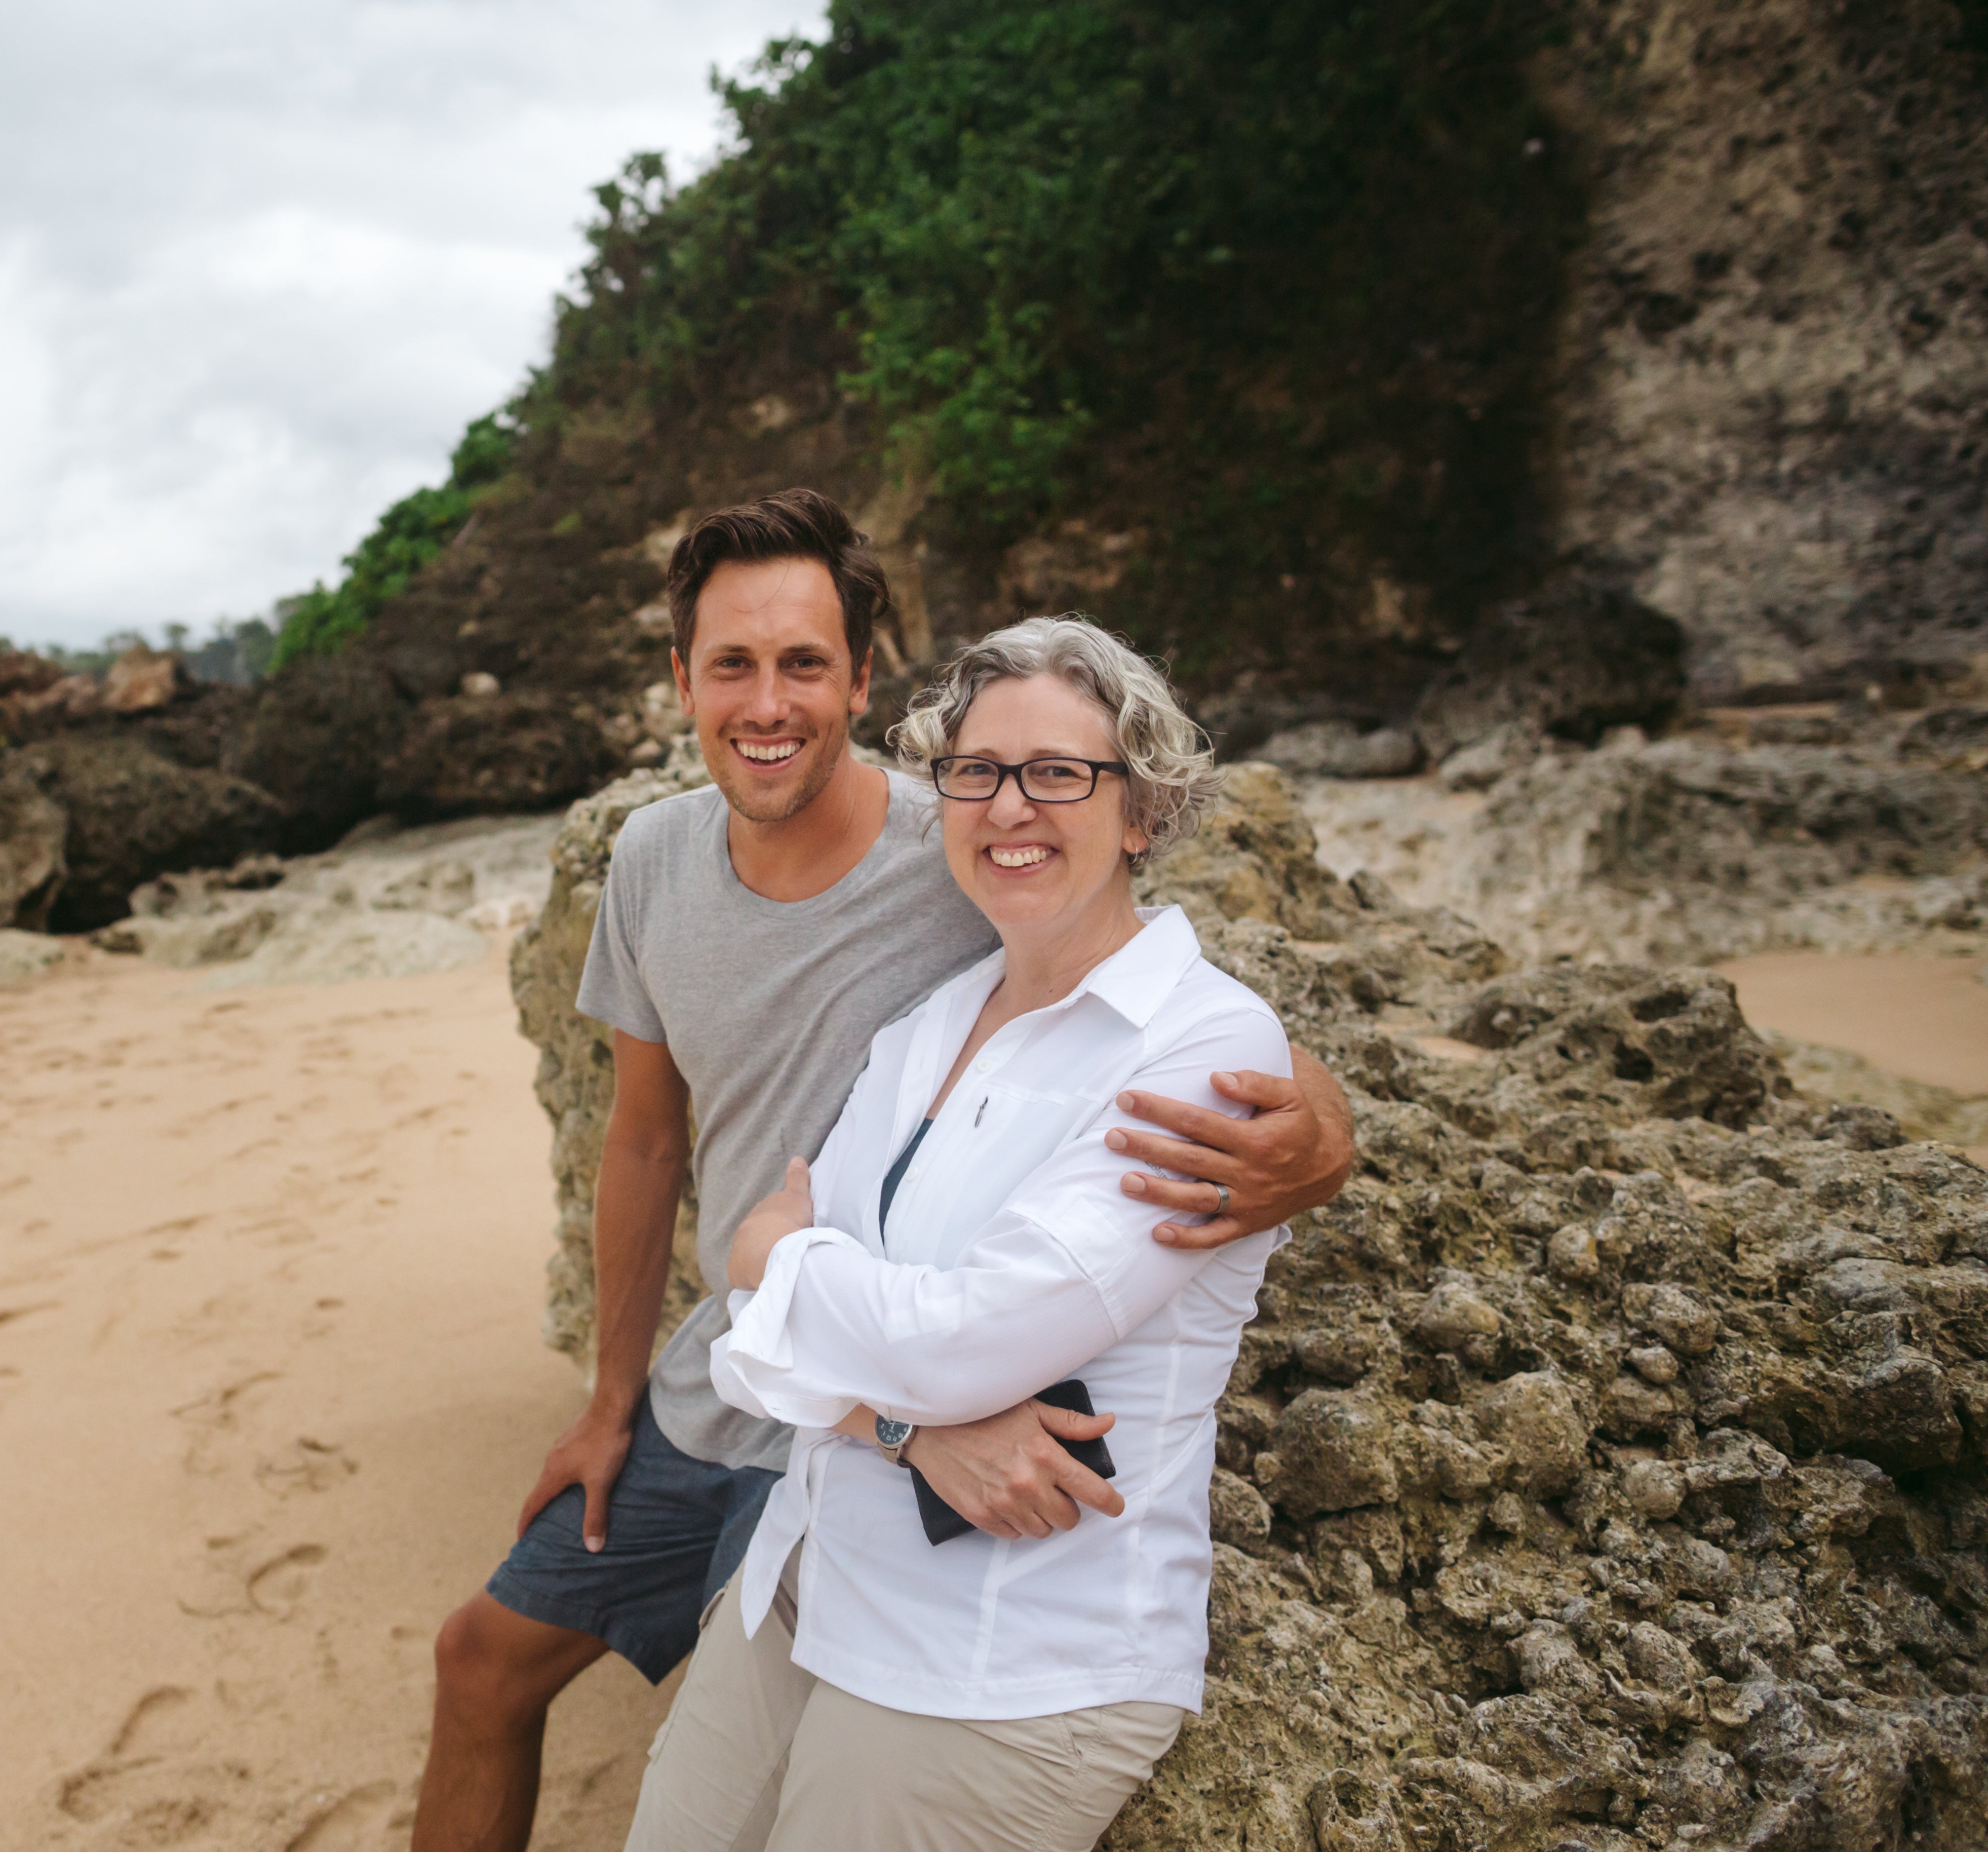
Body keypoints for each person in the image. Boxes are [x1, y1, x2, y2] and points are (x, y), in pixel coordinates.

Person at [411, 492, 1355, 1852]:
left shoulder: (967, 851)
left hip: (858, 1462)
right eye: (731, 664)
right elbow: (644, 1140)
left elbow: (1178, 1017)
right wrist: (614, 1397)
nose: (767, 701)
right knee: (480, 1663)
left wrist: (1320, 1139)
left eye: (804, 663)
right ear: (682, 681)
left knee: (761, 1742)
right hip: (739, 1384)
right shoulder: (658, 862)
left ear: (862, 680)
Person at [622, 614, 1288, 1852]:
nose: (1009, 805)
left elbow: (959, 1338)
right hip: (803, 1579)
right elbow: (750, 1356)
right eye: (975, 772)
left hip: (1008, 1652)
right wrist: (901, 1417)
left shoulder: (1199, 1047)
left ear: (1141, 811)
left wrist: (780, 1259)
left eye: (1059, 773)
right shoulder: (928, 1022)